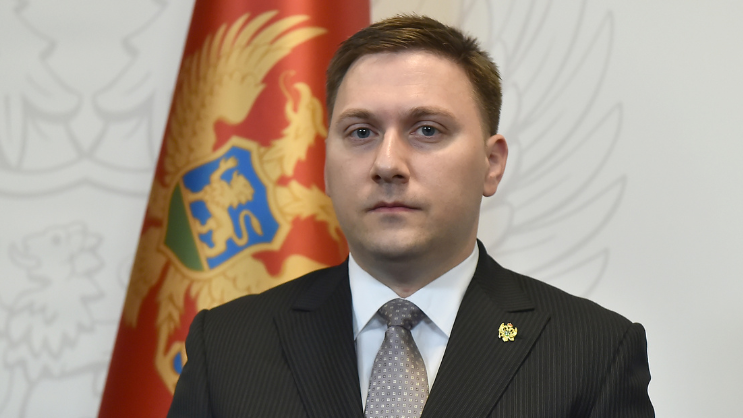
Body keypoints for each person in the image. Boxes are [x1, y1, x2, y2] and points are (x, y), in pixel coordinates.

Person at [168, 15, 654, 418]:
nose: (387, 164)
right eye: (361, 132)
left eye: (427, 130)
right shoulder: (227, 348)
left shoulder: (592, 353)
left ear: (491, 164)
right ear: (325, 164)